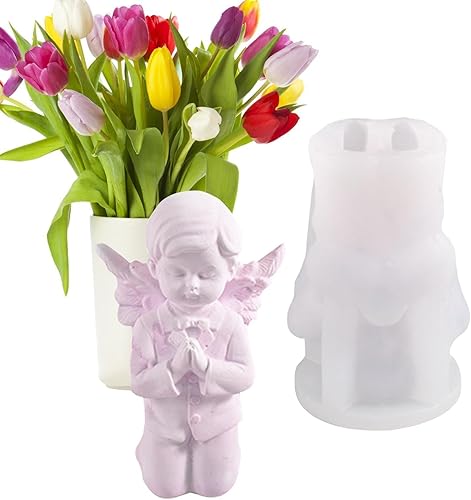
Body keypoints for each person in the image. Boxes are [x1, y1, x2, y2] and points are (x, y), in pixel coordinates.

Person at [130, 191, 255, 498]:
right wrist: (172, 370)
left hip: (217, 425)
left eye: (206, 273)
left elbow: (245, 375)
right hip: (165, 428)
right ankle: (150, 451)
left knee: (216, 487)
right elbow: (139, 381)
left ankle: (221, 457)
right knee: (164, 489)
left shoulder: (231, 324)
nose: (192, 285)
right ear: (155, 267)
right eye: (178, 272)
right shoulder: (148, 325)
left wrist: (206, 367)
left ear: (230, 268)